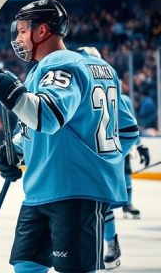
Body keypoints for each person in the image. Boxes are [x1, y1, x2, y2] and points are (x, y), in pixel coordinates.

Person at [0, 0, 138, 273]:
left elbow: (48, 116)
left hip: (73, 192)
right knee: (26, 265)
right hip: (44, 190)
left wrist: (12, 94)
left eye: (22, 31)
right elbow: (127, 131)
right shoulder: (93, 69)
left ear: (42, 31)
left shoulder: (60, 63)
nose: (18, 39)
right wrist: (17, 149)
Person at [75, 46, 147, 269]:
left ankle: (108, 243)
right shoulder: (108, 85)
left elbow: (129, 127)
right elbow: (131, 129)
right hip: (106, 152)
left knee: (99, 205)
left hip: (100, 153)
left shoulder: (82, 85)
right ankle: (108, 244)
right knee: (98, 205)